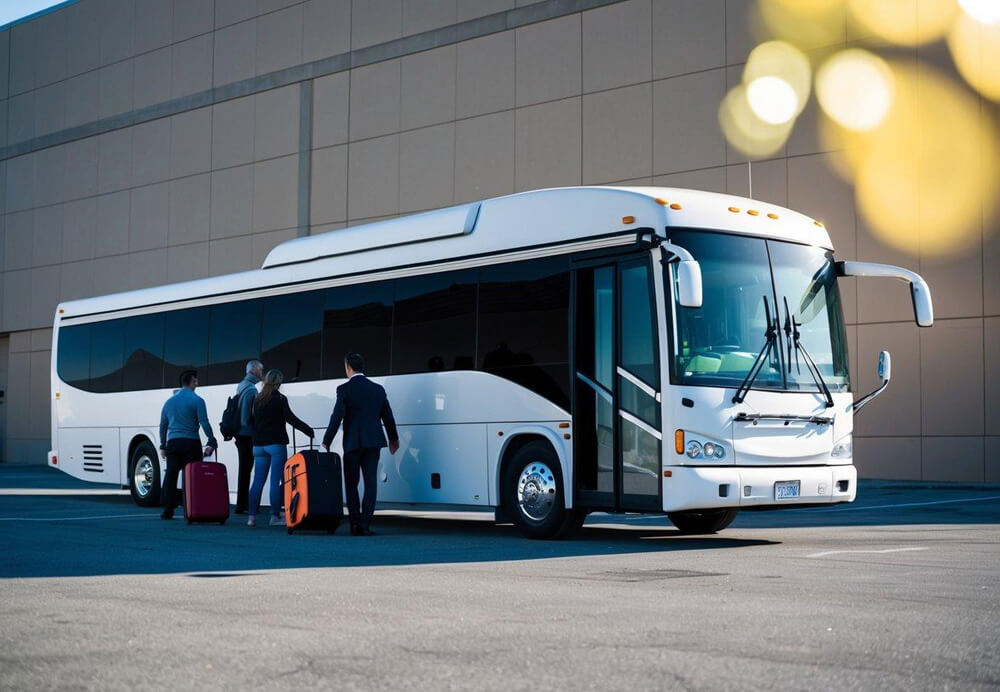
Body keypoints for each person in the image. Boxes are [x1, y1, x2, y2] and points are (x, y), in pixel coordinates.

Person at [322, 352, 399, 536]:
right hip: (373, 442)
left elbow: (337, 416)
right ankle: (365, 524)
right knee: (371, 483)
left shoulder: (344, 389)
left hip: (353, 443)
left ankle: (354, 524)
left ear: (348, 368)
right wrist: (393, 439)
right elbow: (388, 416)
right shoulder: (377, 389)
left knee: (351, 483)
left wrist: (327, 441)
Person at [248, 369, 314, 527]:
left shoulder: (257, 399)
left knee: (257, 481)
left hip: (258, 446)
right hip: (275, 445)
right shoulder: (280, 399)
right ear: (278, 383)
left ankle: (251, 517)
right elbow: (291, 419)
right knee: (275, 481)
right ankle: (274, 516)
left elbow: (251, 422)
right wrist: (308, 430)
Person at [158, 370, 217, 520]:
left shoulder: (169, 402)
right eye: (196, 381)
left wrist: (163, 445)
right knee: (191, 476)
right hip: (191, 442)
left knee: (171, 474)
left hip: (173, 443)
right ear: (194, 382)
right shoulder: (197, 400)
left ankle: (167, 509)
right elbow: (204, 422)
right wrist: (211, 438)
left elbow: (163, 425)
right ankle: (191, 508)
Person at [233, 360, 264, 514]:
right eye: (260, 370)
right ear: (253, 371)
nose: (262, 373)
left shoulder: (241, 385)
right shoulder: (251, 390)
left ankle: (242, 504)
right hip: (246, 435)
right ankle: (243, 505)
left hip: (240, 435)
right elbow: (246, 418)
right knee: (246, 471)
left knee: (244, 470)